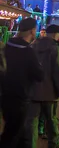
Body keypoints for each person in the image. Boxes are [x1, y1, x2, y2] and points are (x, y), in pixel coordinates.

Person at [0, 18, 44, 147]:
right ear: (32, 30)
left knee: (18, 131)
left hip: (5, 94)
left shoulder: (6, 46)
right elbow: (39, 75)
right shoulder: (28, 51)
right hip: (21, 96)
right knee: (13, 133)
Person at [24, 24, 59, 148]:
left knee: (32, 121)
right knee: (51, 119)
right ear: (56, 34)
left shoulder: (32, 46)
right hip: (50, 91)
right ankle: (53, 142)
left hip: (33, 90)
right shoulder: (56, 48)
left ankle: (30, 144)